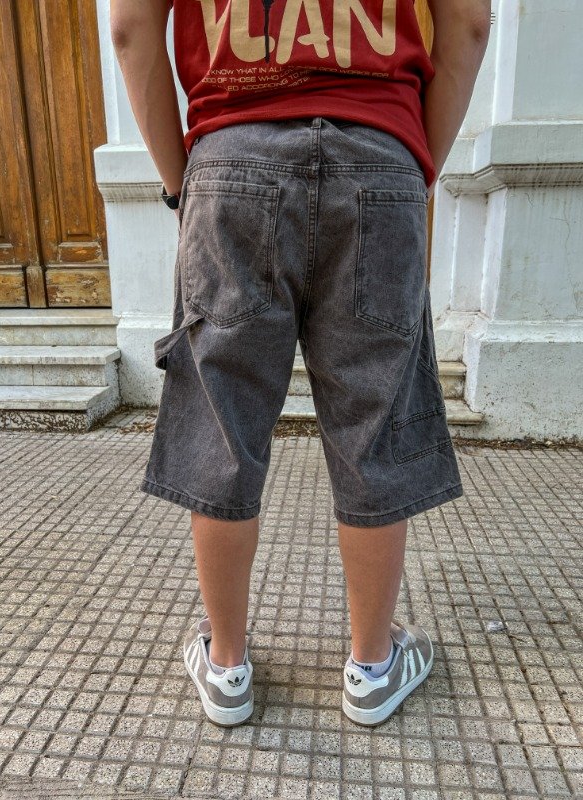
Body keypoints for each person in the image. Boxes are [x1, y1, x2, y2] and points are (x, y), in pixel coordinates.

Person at [110, 0, 491, 727]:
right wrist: (414, 165)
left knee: (223, 422)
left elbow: (130, 29)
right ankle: (373, 668)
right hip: (378, 153)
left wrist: (182, 184)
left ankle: (226, 666)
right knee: (374, 420)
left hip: (232, 154)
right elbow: (469, 24)